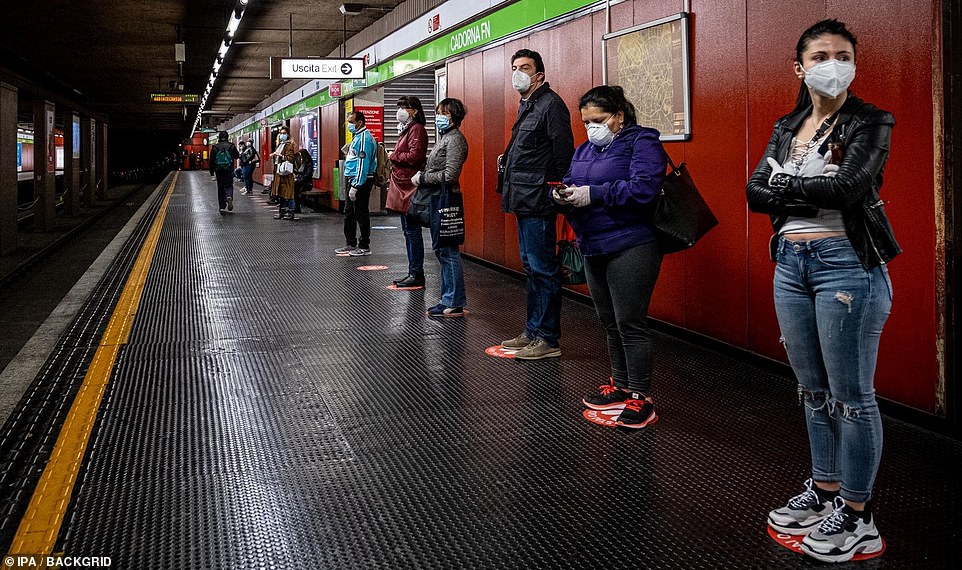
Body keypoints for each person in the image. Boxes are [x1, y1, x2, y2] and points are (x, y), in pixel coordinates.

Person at [746, 19, 898, 563]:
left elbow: (850, 187)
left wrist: (786, 186)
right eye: (820, 55)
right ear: (800, 67)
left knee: (852, 398)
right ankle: (826, 491)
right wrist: (796, 190)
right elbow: (753, 192)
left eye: (842, 54)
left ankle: (859, 517)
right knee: (812, 391)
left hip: (845, 267)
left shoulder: (870, 120)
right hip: (790, 263)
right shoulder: (787, 125)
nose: (832, 63)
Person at [554, 86, 665, 429]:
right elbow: (572, 179)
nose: (591, 128)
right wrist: (562, 193)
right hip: (593, 244)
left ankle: (641, 397)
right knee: (608, 322)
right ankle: (619, 386)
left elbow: (645, 188)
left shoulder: (641, 142)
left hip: (631, 244)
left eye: (598, 120)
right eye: (586, 121)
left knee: (630, 322)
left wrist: (594, 193)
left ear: (618, 116)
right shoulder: (585, 149)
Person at [499, 49, 574, 360]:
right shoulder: (528, 105)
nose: (518, 72)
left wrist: (553, 190)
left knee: (543, 269)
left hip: (539, 199)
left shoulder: (551, 105)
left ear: (539, 74)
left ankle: (547, 338)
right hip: (522, 197)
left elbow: (562, 154)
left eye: (525, 67)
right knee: (531, 268)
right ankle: (532, 330)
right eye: (515, 67)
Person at [411, 98, 469, 317]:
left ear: (453, 115)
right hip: (439, 198)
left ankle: (453, 300)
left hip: (446, 199)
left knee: (448, 250)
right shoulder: (446, 137)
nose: (439, 117)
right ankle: (448, 298)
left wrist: (423, 177)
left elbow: (450, 175)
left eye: (442, 113)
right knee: (442, 249)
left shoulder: (455, 140)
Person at [386, 96, 429, 288]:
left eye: (405, 107)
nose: (401, 110)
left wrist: (393, 155)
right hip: (404, 183)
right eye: (400, 106)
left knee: (412, 231)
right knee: (408, 231)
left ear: (415, 110)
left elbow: (414, 156)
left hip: (409, 185)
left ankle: (416, 273)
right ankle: (413, 271)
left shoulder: (417, 129)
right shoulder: (408, 129)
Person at [334, 111, 378, 256]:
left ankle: (364, 246)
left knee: (361, 212)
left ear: (359, 122)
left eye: (351, 122)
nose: (349, 125)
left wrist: (356, 185)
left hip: (360, 180)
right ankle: (351, 243)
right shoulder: (357, 137)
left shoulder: (365, 138)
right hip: (351, 177)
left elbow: (362, 164)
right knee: (349, 213)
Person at [269, 126, 297, 219]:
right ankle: (282, 212)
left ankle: (291, 212)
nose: (282, 135)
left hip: (286, 174)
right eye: (281, 133)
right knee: (281, 193)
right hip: (279, 173)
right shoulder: (280, 145)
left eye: (284, 133)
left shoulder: (289, 145)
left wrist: (280, 155)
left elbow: (291, 158)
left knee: (289, 194)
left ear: (288, 135)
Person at [209, 131, 239, 212]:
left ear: (219, 137)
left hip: (219, 170)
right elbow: (237, 155)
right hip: (229, 169)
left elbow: (211, 161)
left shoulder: (215, 147)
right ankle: (229, 196)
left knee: (220, 187)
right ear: (227, 137)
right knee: (229, 185)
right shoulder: (231, 146)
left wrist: (212, 173)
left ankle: (222, 206)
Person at [293, 148, 313, 213]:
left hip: (306, 183)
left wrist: (300, 179)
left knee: (296, 189)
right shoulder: (303, 163)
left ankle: (297, 207)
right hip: (302, 181)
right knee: (295, 188)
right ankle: (296, 207)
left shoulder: (308, 162)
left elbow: (308, 174)